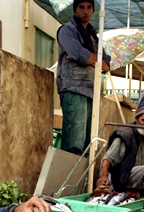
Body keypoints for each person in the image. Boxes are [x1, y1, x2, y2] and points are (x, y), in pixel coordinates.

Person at [56, 0, 111, 155]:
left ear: (93, 10)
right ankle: (69, 178)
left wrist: (88, 57)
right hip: (74, 88)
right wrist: (89, 58)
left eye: (89, 7)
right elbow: (82, 56)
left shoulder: (93, 36)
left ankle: (82, 180)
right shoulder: (67, 30)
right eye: (81, 7)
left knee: (88, 144)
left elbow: (106, 65)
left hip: (91, 91)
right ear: (75, 10)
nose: (85, 11)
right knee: (74, 144)